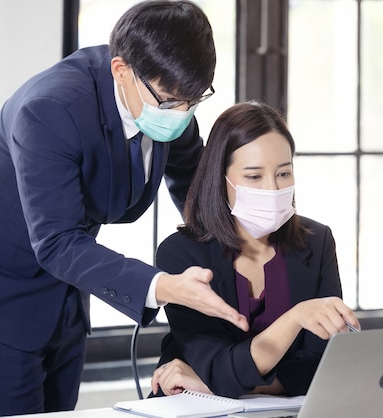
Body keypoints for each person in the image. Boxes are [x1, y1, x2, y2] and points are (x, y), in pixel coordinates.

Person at [0, 2, 249, 417]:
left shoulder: (166, 96)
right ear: (121, 70)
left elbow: (193, 182)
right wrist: (163, 285)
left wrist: (239, 249)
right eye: (173, 100)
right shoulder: (50, 110)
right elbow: (56, 242)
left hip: (67, 284)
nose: (182, 115)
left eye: (194, 101)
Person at [149, 101, 360, 399]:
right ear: (219, 179)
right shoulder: (180, 254)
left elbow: (320, 369)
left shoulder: (317, 241)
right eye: (253, 176)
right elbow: (218, 367)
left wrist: (215, 383)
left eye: (283, 174)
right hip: (191, 407)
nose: (272, 189)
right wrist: (296, 317)